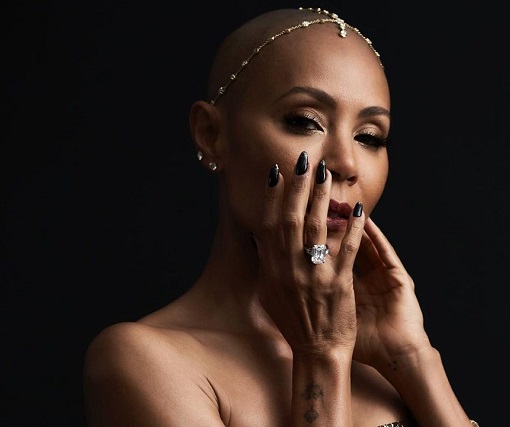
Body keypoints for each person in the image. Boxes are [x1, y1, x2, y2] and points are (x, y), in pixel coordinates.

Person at [82, 6, 479, 427]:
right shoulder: (143, 362)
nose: (346, 163)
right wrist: (321, 353)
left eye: (369, 137)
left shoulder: (383, 359)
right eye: (305, 122)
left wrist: (414, 357)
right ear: (211, 134)